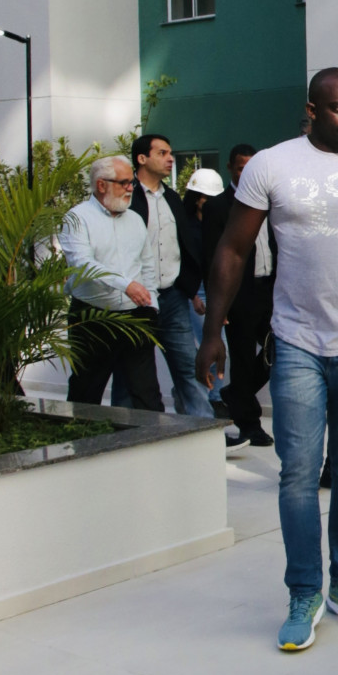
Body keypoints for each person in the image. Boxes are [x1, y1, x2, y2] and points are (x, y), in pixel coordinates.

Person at [197, 68, 338, 650]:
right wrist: (212, 332)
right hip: (296, 341)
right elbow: (233, 248)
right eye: (337, 109)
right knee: (298, 474)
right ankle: (304, 592)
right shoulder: (272, 165)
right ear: (311, 111)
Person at [61, 155, 162, 412]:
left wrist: (152, 305)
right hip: (93, 317)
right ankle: (81, 436)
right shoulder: (77, 218)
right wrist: (125, 284)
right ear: (101, 184)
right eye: (124, 183)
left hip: (136, 315)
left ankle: (154, 437)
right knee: (86, 391)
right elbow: (82, 264)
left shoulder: (135, 219)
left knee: (147, 394)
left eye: (131, 183)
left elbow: (147, 266)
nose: (130, 188)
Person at [126, 134, 212, 418]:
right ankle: (128, 429)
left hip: (173, 296)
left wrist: (191, 291)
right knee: (132, 371)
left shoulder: (172, 198)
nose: (170, 159)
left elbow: (184, 247)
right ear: (142, 158)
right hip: (136, 299)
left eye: (170, 153)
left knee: (188, 365)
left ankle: (203, 427)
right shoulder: (128, 198)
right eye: (162, 153)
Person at [204, 145, 276, 449]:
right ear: (230, 169)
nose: (246, 173)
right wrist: (218, 305)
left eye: (251, 167)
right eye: (240, 168)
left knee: (278, 349)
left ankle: (235, 394)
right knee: (244, 359)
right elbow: (212, 258)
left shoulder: (272, 203)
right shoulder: (218, 207)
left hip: (270, 290)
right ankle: (249, 425)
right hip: (239, 294)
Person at [183, 167, 228, 418]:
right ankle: (208, 401)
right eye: (204, 198)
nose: (208, 203)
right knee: (205, 346)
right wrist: (193, 295)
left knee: (220, 347)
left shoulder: (220, 223)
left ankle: (213, 399)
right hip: (197, 290)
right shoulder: (186, 225)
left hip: (217, 289)